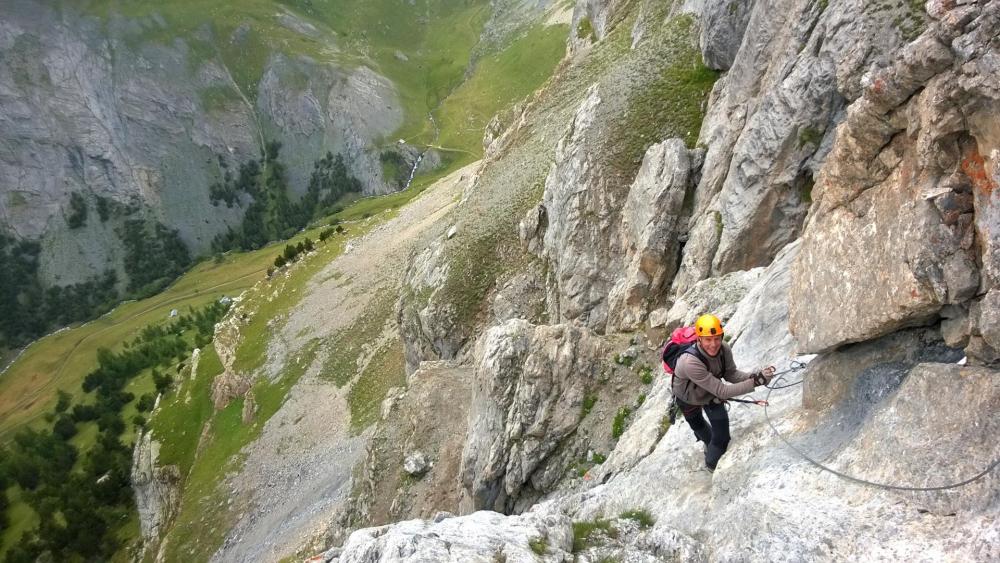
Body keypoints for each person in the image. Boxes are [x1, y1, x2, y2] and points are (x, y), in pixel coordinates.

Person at [671, 314, 774, 473]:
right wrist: (756, 382)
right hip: (688, 398)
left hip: (710, 394)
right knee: (701, 428)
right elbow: (723, 391)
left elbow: (731, 374)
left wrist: (754, 376)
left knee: (722, 438)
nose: (713, 344)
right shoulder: (689, 362)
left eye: (717, 338)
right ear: (699, 340)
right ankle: (711, 461)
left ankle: (711, 464)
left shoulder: (723, 348)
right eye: (708, 340)